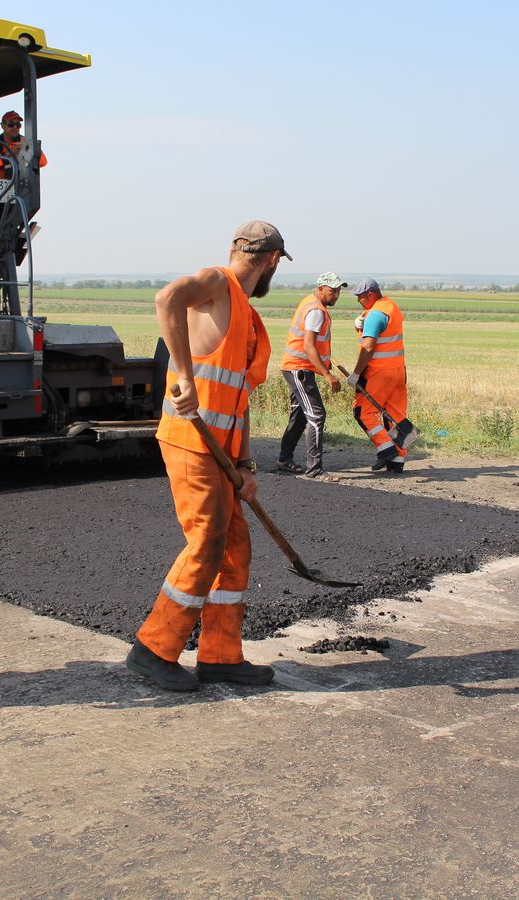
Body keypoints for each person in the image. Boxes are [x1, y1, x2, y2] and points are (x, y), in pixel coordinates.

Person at [126, 220, 290, 691]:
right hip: (190, 440)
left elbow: (237, 399)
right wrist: (184, 376)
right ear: (274, 259)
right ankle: (154, 649)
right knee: (207, 544)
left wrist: (243, 466)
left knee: (234, 548)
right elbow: (167, 298)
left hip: (221, 452)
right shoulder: (220, 283)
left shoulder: (244, 312)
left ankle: (220, 656)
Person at [276, 272, 345, 480]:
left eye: (339, 291)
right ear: (321, 288)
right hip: (299, 368)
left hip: (298, 367)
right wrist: (327, 374)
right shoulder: (316, 310)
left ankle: (284, 460)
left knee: (299, 415)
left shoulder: (311, 302)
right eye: (332, 291)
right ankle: (314, 469)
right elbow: (308, 345)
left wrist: (324, 361)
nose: (336, 295)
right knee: (316, 415)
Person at [346, 278, 408, 473]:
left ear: (370, 295)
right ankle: (397, 461)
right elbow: (383, 328)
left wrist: (356, 373)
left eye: (361, 298)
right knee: (395, 415)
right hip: (398, 370)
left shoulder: (375, 315)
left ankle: (385, 447)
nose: (359, 301)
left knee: (362, 412)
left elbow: (368, 346)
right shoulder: (392, 307)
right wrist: (360, 323)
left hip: (378, 372)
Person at [0, 109, 46, 189]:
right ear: (2, 125)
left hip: (17, 187)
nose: (15, 127)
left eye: (18, 125)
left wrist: (27, 151)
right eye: (11, 124)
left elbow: (43, 162)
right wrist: (8, 154)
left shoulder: (26, 142)